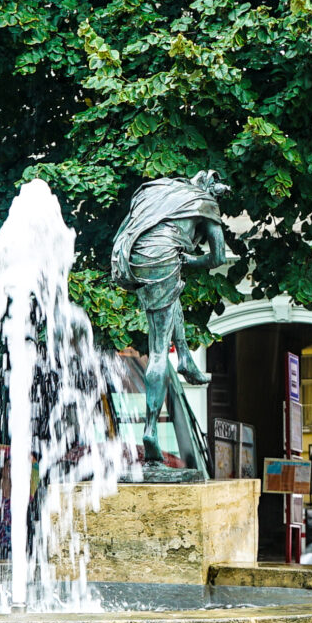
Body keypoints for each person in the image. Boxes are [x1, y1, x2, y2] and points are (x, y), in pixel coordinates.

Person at [110, 171, 229, 463]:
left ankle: (186, 357)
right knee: (158, 350)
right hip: (163, 257)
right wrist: (191, 260)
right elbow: (218, 258)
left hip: (136, 254)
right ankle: (150, 429)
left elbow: (129, 221)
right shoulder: (205, 203)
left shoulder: (161, 190)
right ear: (211, 189)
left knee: (172, 293)